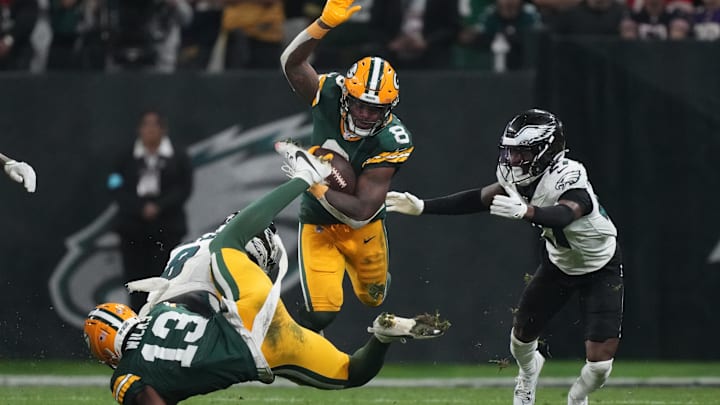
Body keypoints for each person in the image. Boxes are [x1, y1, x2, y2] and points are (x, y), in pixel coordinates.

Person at [84, 142, 449, 405]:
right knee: (228, 244)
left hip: (253, 344)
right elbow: (221, 254)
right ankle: (383, 336)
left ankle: (304, 178)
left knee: (346, 373)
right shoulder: (161, 308)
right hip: (248, 304)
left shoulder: (132, 366)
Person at [385, 109, 623, 405]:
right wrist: (422, 206)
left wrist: (527, 212)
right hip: (558, 263)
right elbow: (479, 199)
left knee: (599, 366)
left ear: (546, 152)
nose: (513, 161)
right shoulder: (517, 180)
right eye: (510, 152)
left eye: (521, 154)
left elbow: (567, 213)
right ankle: (528, 373)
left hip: (599, 267)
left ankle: (576, 398)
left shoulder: (569, 174)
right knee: (520, 338)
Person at [279, 0, 416, 334]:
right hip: (319, 223)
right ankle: (294, 340)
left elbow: (362, 209)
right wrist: (323, 24)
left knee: (373, 298)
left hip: (362, 226)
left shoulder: (393, 140)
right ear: (346, 95)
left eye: (376, 108)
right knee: (323, 314)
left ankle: (375, 278)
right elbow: (290, 62)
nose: (367, 114)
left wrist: (315, 183)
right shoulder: (328, 93)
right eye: (360, 104)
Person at [108, 110, 194, 312]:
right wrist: (139, 207)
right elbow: (114, 185)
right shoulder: (125, 158)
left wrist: (160, 206)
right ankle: (136, 322)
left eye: (154, 126)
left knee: (164, 281)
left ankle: (163, 320)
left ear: (163, 130)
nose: (150, 131)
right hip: (132, 229)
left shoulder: (178, 158)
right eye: (145, 126)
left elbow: (184, 188)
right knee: (136, 283)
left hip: (166, 229)